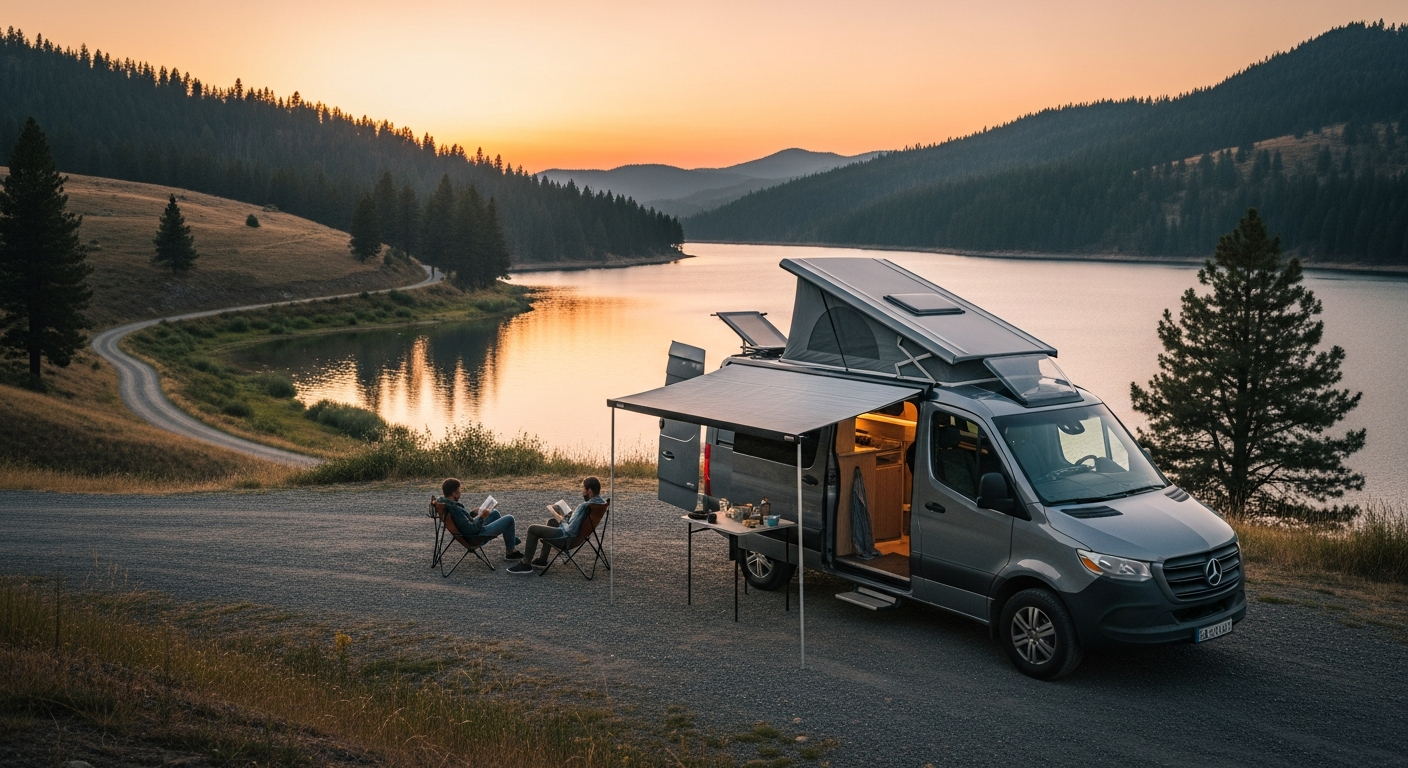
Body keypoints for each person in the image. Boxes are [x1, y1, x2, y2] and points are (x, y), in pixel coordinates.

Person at [506, 477, 604, 574]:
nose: (582, 491)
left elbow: (570, 531)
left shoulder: (584, 506)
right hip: (579, 536)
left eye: (583, 488)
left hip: (567, 539)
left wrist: (559, 518)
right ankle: (542, 560)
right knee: (552, 522)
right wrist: (569, 516)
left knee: (532, 529)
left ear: (589, 490)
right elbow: (578, 523)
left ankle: (525, 564)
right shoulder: (600, 504)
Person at [436, 478, 523, 561]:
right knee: (509, 519)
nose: (460, 493)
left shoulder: (447, 505)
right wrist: (481, 517)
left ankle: (512, 540)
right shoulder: (454, 508)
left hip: (470, 532)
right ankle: (511, 551)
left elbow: (462, 521)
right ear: (454, 493)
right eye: (459, 491)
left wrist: (473, 514)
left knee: (494, 513)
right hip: (475, 537)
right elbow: (471, 530)